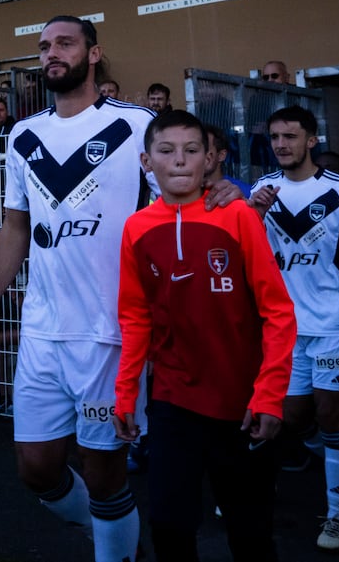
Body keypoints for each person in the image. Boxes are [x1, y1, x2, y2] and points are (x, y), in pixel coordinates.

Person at [0, 16, 236, 562]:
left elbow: (187, 184)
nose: (50, 54)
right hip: (42, 328)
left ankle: (116, 547)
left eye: (64, 43)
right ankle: (110, 534)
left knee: (104, 470)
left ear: (93, 53)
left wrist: (219, 189)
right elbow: (15, 227)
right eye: (43, 47)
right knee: (36, 468)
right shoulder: (23, 135)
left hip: (111, 332)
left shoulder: (136, 124)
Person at [114, 110, 295, 561]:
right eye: (166, 151)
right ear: (145, 161)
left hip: (241, 403)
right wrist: (126, 396)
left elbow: (278, 312)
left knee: (250, 533)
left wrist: (270, 395)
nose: (179, 161)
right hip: (175, 400)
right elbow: (135, 318)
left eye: (191, 151)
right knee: (170, 526)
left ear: (209, 159)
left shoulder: (236, 215)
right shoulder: (136, 228)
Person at [249, 107, 339, 552]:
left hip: (333, 321)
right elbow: (242, 250)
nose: (281, 144)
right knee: (292, 417)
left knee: (331, 415)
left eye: (291, 136)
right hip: (284, 325)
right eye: (275, 137)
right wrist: (252, 213)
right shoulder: (262, 191)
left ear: (312, 140)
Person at [204, 125, 250, 197]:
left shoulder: (246, 192)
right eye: (192, 150)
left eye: (205, 148)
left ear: (221, 155)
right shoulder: (186, 192)